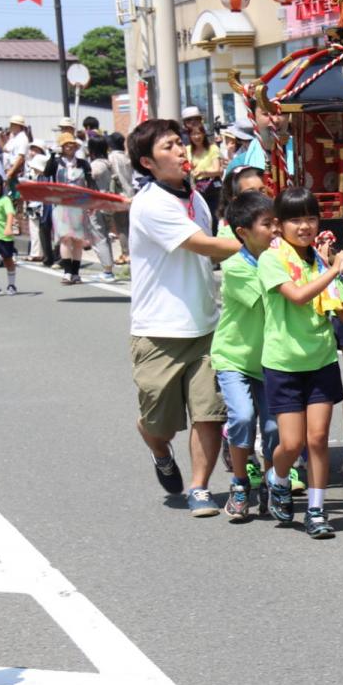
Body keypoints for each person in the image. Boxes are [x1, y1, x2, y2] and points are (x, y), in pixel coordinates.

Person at [126, 118, 241, 516]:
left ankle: (200, 488)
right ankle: (159, 451)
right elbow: (202, 245)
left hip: (206, 326)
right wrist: (260, 242)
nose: (180, 151)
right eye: (168, 147)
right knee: (159, 424)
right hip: (158, 331)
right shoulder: (151, 204)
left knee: (209, 413)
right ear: (147, 163)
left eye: (180, 143)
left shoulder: (195, 197)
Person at [259, 187, 343, 539]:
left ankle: (316, 510)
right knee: (291, 444)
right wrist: (334, 269)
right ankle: (279, 477)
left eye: (310, 218)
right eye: (295, 219)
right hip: (284, 363)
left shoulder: (320, 261)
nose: (304, 226)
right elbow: (299, 296)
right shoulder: (271, 260)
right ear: (280, 224)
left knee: (317, 440)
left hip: (320, 361)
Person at [211, 190, 279, 521]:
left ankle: (270, 483)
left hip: (269, 360)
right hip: (234, 358)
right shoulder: (236, 266)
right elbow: (273, 295)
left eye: (276, 223)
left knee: (272, 426)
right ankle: (240, 483)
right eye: (267, 224)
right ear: (243, 232)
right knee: (241, 417)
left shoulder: (279, 259)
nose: (275, 230)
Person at [43, 132, 94, 285]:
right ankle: (67, 272)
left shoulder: (83, 163)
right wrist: (52, 155)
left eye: (71, 144)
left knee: (78, 240)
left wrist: (92, 202)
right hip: (61, 203)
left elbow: (90, 183)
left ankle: (76, 273)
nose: (69, 147)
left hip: (79, 203)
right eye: (66, 145)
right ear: (62, 147)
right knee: (65, 238)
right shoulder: (56, 162)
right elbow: (47, 173)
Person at [87, 136, 118, 282]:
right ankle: (108, 269)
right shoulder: (108, 163)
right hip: (108, 201)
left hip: (96, 203)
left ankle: (107, 270)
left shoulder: (96, 165)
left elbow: (90, 178)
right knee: (104, 236)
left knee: (99, 237)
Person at [187, 121, 223, 233]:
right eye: (193, 134)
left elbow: (218, 170)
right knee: (198, 218)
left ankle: (213, 242)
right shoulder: (187, 150)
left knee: (213, 218)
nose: (196, 137)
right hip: (196, 189)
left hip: (213, 188)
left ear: (204, 134)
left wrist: (203, 172)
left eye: (199, 133)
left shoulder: (213, 149)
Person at [107, 132, 133, 264]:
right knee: (129, 225)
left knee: (121, 226)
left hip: (120, 194)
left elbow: (114, 176)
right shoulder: (127, 157)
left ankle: (126, 253)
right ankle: (130, 252)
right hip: (131, 193)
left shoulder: (112, 157)